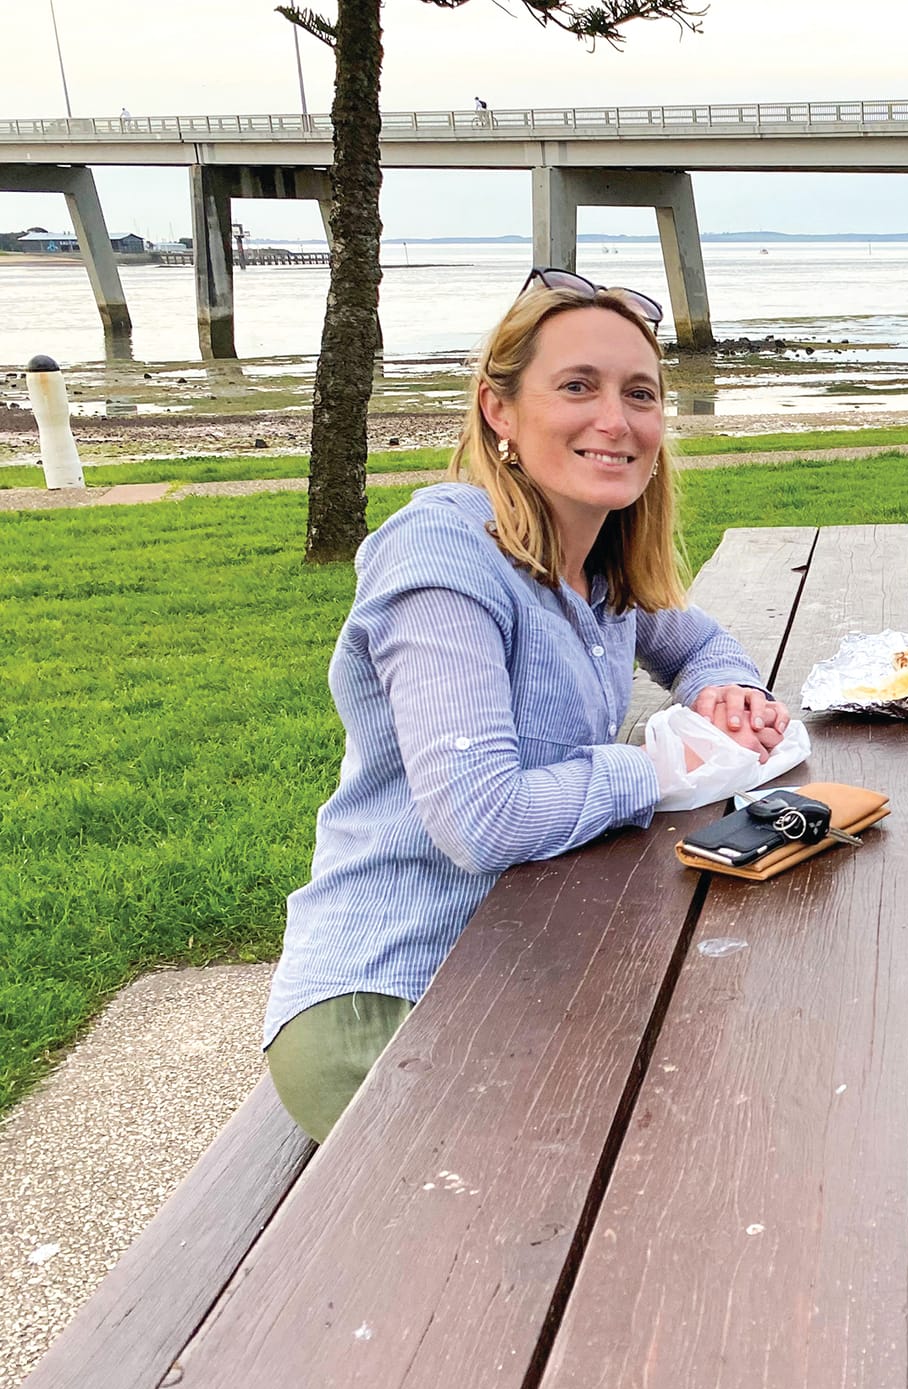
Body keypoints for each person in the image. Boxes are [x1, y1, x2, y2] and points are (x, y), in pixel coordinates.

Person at [261, 268, 788, 1141]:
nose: (615, 420)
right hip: (392, 998)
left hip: (528, 953)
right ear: (499, 411)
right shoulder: (446, 553)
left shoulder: (598, 563)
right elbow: (483, 819)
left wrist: (725, 693)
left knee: (739, 1063)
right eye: (577, 386)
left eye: (640, 393)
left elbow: (698, 643)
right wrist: (657, 766)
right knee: (668, 1139)